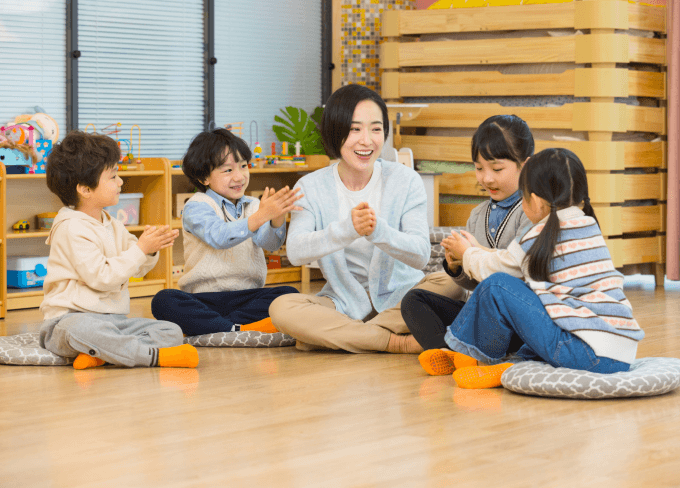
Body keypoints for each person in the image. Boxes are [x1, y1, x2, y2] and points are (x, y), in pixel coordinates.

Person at [427, 148, 644, 388]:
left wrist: (467, 253)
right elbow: (513, 262)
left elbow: (495, 270)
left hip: (583, 352)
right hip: (618, 356)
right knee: (543, 305)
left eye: (523, 197)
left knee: (496, 286)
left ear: (537, 201)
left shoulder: (538, 233)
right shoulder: (588, 226)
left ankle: (473, 358)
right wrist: (477, 250)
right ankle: (506, 366)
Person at [269, 83, 461, 354]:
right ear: (335, 131)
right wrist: (348, 230)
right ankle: (395, 341)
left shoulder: (405, 180)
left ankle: (345, 335)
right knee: (282, 307)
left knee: (453, 284)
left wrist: (378, 231)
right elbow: (297, 252)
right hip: (342, 303)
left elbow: (420, 255)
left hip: (404, 299)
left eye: (376, 129)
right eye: (355, 129)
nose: (367, 141)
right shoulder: (310, 187)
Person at [39, 130, 198, 369]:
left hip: (113, 322)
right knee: (83, 330)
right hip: (67, 321)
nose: (120, 181)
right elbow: (102, 278)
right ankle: (154, 357)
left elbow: (136, 267)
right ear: (85, 189)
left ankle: (102, 353)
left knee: (171, 331)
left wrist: (150, 249)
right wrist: (140, 249)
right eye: (113, 176)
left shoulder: (111, 223)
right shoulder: (71, 228)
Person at [400, 115, 534, 373]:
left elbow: (516, 269)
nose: (486, 178)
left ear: (525, 166)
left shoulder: (531, 211)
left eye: (497, 169)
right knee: (414, 301)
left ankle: (470, 352)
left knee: (496, 291)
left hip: (517, 320)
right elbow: (473, 283)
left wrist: (471, 253)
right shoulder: (477, 215)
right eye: (479, 168)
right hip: (481, 315)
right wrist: (457, 268)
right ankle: (450, 354)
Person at [151, 128, 302, 336]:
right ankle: (236, 329)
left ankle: (221, 328)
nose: (239, 176)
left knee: (289, 294)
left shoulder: (254, 205)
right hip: (204, 298)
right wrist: (261, 216)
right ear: (204, 177)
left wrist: (276, 218)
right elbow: (219, 237)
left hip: (248, 296)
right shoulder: (197, 205)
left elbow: (271, 244)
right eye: (228, 170)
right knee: (164, 300)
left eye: (243, 166)